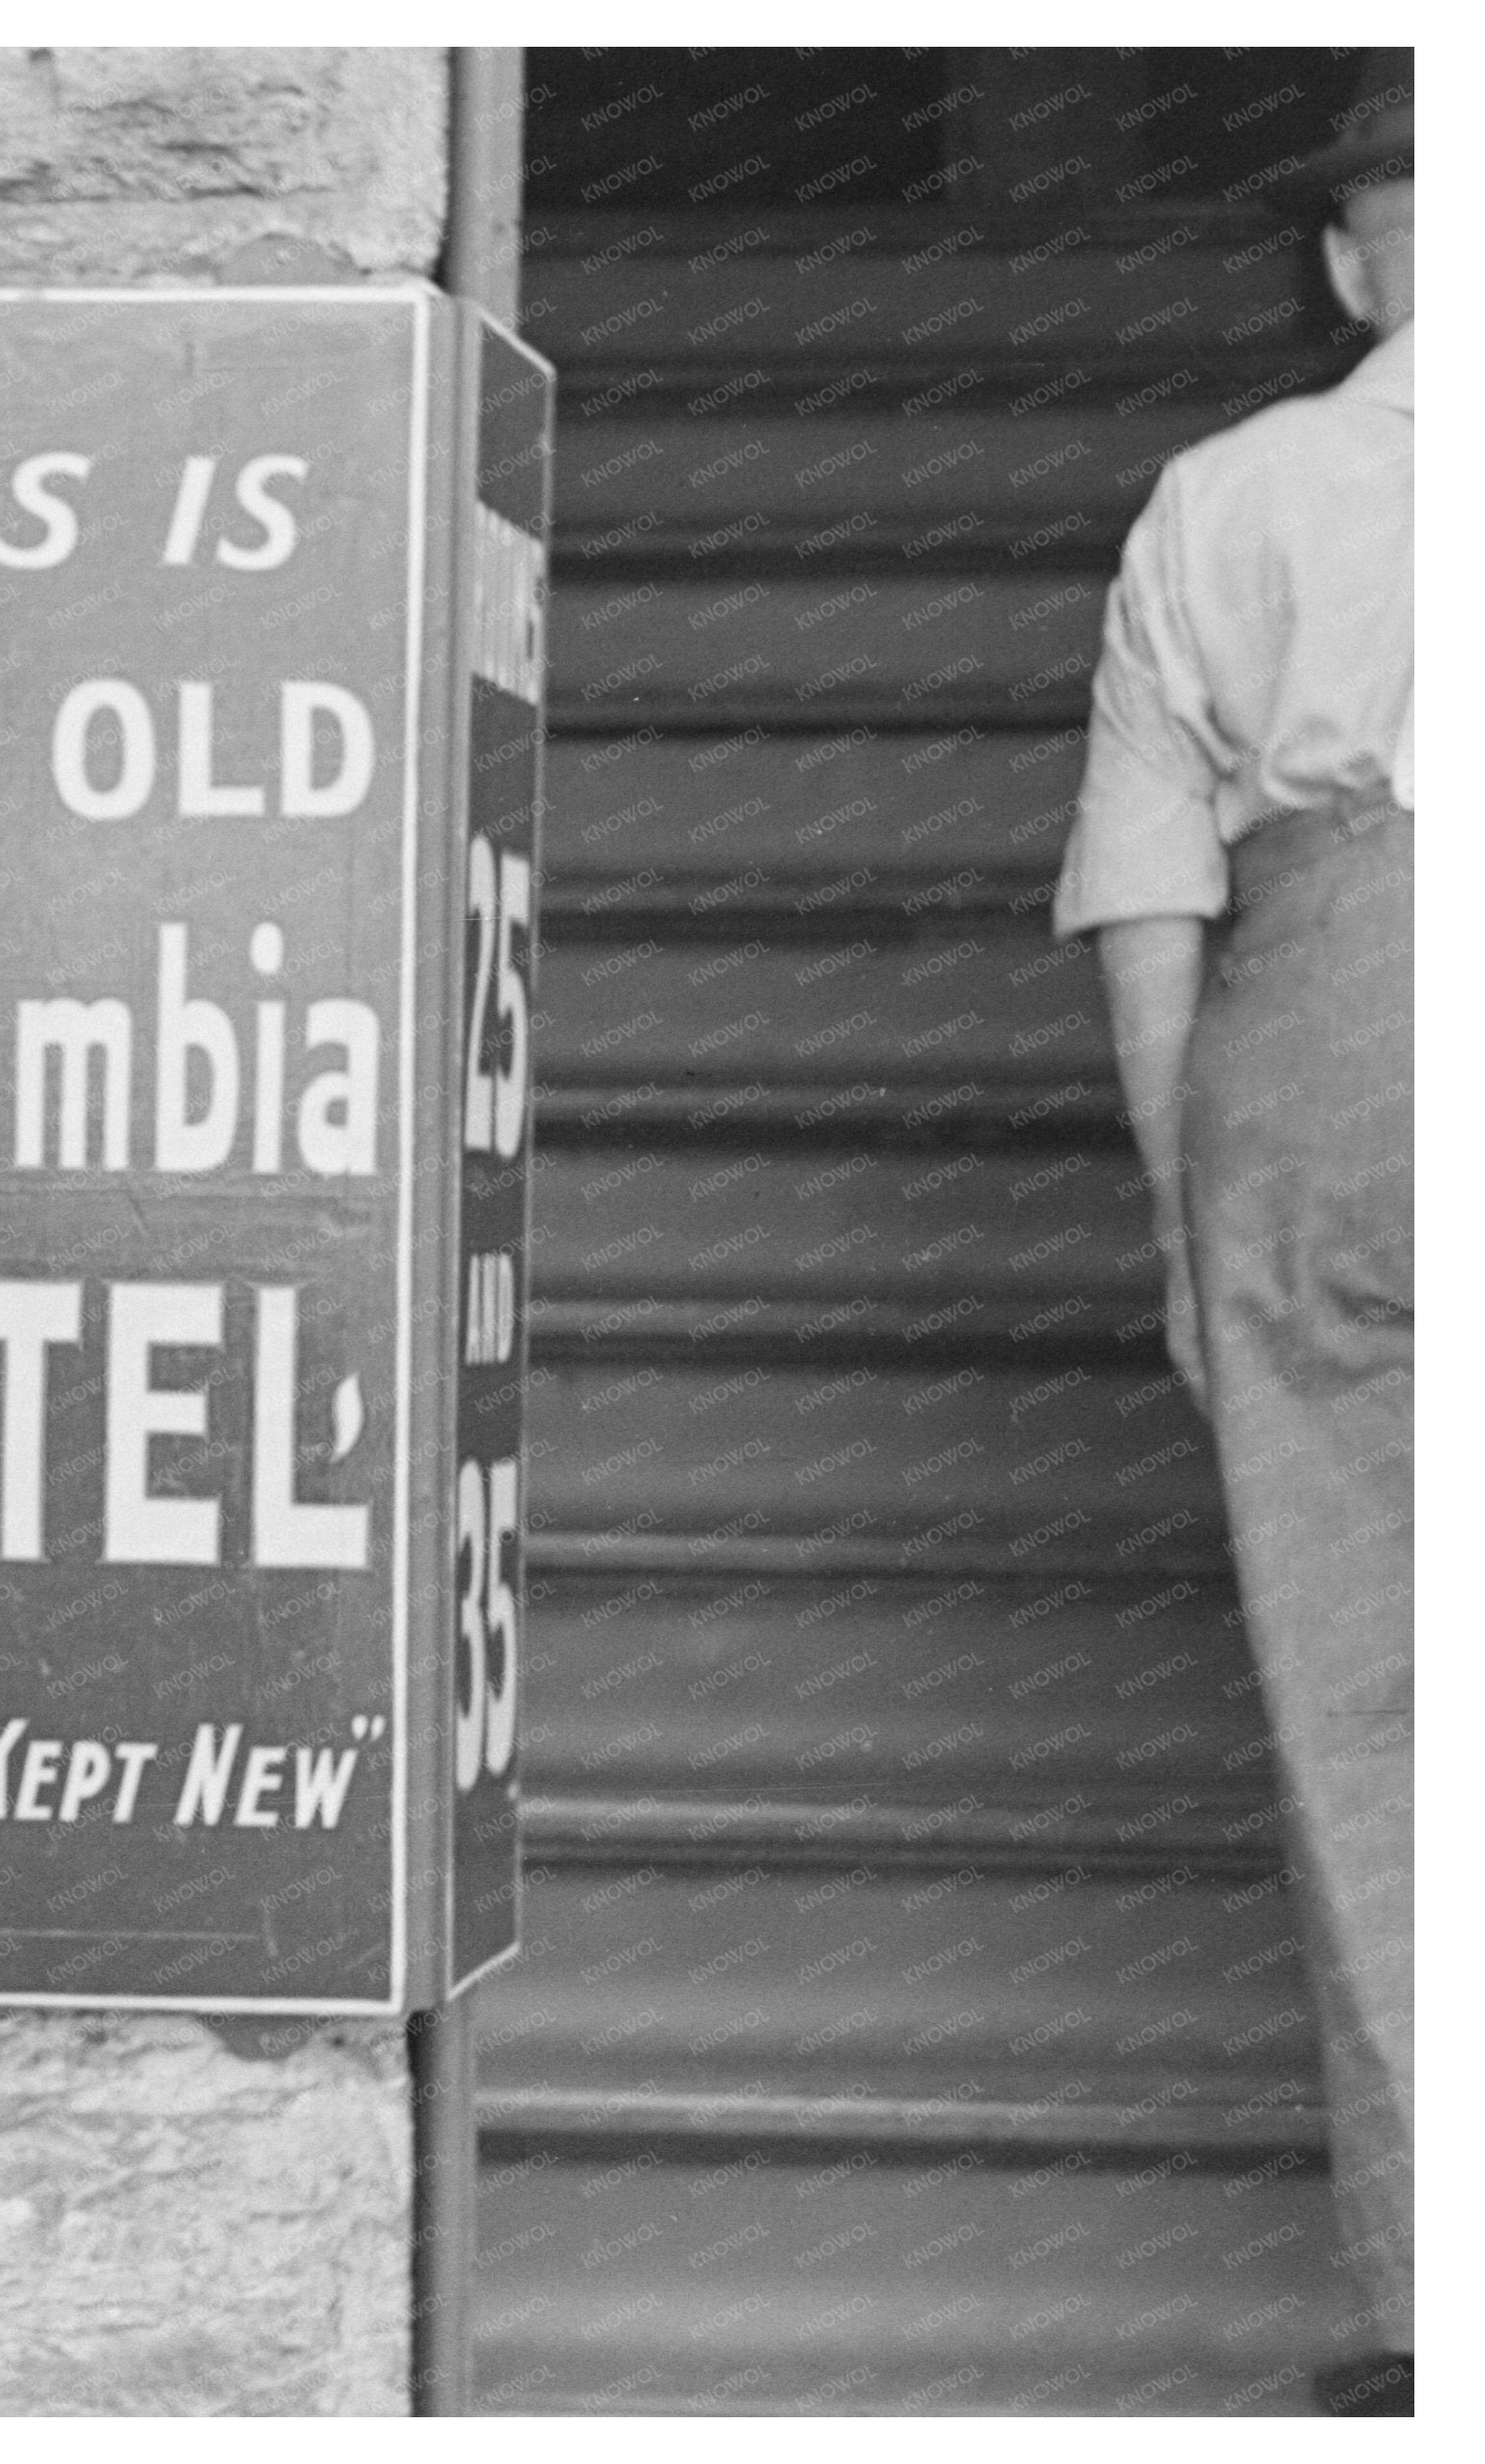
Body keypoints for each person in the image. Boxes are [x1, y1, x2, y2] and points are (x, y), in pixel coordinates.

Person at [1055, 55, 1410, 2419]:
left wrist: (1193, 1222)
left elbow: (1150, 893)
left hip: (1344, 1035)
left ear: (1351, 261)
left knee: (1375, 1703)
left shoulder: (1230, 493)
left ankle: (1433, 2310)